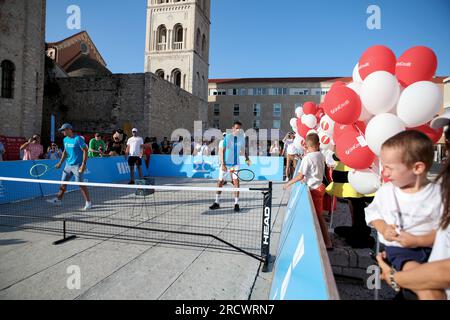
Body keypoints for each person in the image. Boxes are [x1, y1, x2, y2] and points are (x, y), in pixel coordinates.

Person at [365, 130, 443, 300]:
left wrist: (419, 240)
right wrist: (384, 229)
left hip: (436, 251)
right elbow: (373, 214)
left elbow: (443, 231)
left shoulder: (439, 194)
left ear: (417, 168)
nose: (384, 173)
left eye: (389, 168)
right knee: (428, 291)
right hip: (403, 252)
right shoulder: (387, 192)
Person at [284, 133, 333, 250]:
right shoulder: (320, 155)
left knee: (318, 217)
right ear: (318, 144)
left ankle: (327, 242)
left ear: (306, 145)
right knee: (316, 216)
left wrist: (288, 183)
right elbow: (315, 172)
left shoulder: (307, 158)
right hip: (320, 186)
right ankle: (322, 240)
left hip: (314, 189)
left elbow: (300, 176)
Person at [47, 124, 92, 211]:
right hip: (68, 165)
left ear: (69, 129)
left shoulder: (78, 139)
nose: (62, 132)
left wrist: (83, 164)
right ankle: (58, 200)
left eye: (63, 130)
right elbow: (65, 151)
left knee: (81, 184)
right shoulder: (65, 139)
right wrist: (60, 163)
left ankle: (88, 202)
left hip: (77, 165)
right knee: (63, 183)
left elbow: (85, 150)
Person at [210, 121, 251, 212]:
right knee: (220, 182)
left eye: (239, 128)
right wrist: (223, 164)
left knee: (236, 182)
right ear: (233, 128)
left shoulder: (241, 138)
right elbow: (222, 151)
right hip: (225, 164)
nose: (238, 130)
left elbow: (243, 150)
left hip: (235, 164)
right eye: (236, 128)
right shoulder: (227, 137)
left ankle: (236, 204)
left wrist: (247, 158)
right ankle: (217, 202)